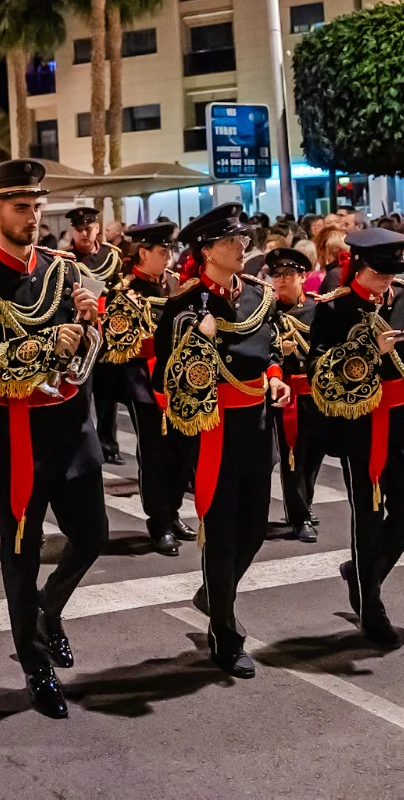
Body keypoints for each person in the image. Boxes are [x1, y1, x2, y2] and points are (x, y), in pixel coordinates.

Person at [0, 159, 107, 719]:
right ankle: (35, 665)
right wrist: (50, 349)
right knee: (20, 555)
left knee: (92, 536)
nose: (33, 217)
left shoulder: (64, 272)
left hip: (70, 426)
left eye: (38, 207)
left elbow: (87, 357)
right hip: (15, 434)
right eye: (21, 207)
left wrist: (91, 324)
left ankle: (49, 611)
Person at [153, 203, 293, 678]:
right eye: (232, 241)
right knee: (223, 534)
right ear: (208, 250)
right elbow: (163, 381)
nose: (242, 247)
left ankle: (214, 595)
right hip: (213, 432)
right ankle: (225, 634)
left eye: (243, 240)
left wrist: (276, 376)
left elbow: (270, 346)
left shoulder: (258, 296)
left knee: (253, 531)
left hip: (256, 424)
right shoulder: (184, 306)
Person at [309, 229, 404, 644]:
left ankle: (360, 574)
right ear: (358, 266)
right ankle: (371, 606)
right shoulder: (334, 307)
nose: (387, 281)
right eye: (380, 272)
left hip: (403, 418)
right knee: (367, 518)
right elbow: (318, 369)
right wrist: (367, 354)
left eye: (392, 272)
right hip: (358, 422)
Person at [100, 221, 191, 555]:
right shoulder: (125, 291)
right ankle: (160, 522)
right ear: (143, 252)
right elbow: (117, 343)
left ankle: (175, 510)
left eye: (169, 250)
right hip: (145, 383)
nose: (169, 256)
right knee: (155, 456)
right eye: (162, 251)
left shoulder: (176, 284)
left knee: (183, 453)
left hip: (181, 381)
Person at [265, 246, 321, 543]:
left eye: (287, 274)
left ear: (303, 276)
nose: (281, 280)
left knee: (313, 456)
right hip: (285, 393)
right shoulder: (269, 311)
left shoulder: (317, 308)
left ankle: (305, 505)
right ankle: (298, 517)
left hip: (316, 392)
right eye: (276, 275)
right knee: (292, 458)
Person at [68, 206, 128, 466]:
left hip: (106, 331)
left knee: (107, 394)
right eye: (79, 229)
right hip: (78, 331)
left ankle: (108, 444)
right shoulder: (64, 258)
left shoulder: (111, 256)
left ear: (97, 229)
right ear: (73, 231)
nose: (84, 233)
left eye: (88, 228)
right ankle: (80, 443)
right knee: (80, 391)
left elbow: (119, 289)